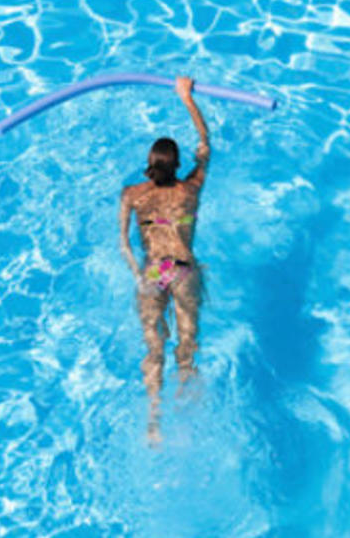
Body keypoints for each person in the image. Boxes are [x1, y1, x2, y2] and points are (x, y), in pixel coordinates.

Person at [119, 75, 210, 444]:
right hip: (184, 272)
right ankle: (187, 413)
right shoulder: (191, 188)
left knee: (154, 348)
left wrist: (137, 274)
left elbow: (124, 243)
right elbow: (205, 145)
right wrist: (186, 98)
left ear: (150, 164)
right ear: (176, 166)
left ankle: (154, 420)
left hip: (153, 272)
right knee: (185, 348)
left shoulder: (132, 194)